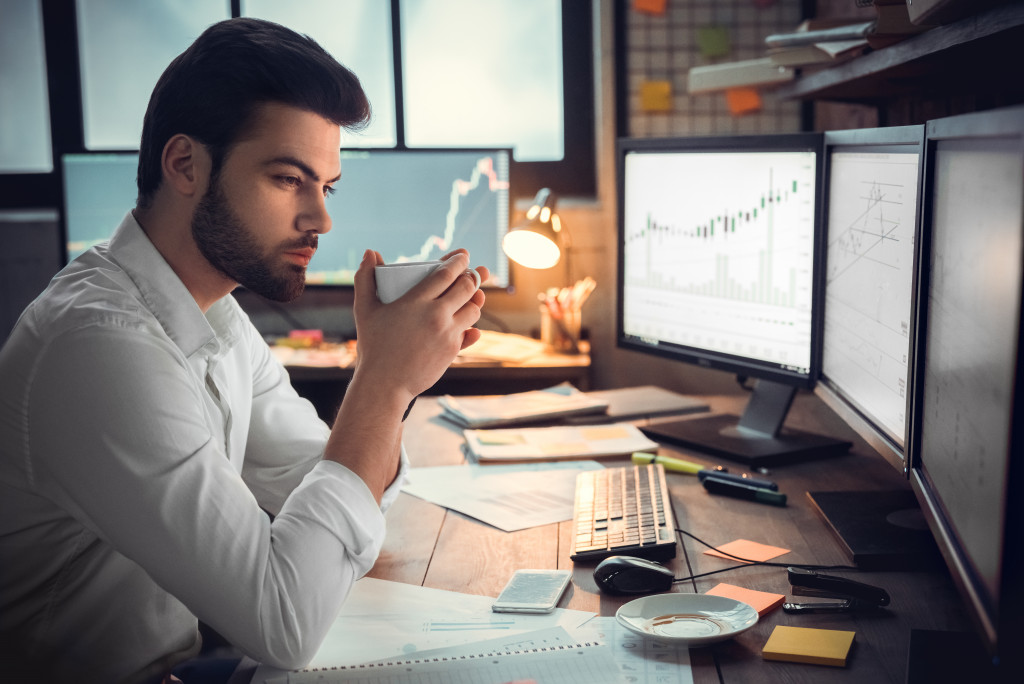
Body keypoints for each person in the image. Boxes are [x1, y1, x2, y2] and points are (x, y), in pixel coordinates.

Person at [0, 17, 487, 684]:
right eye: (290, 179)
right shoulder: (97, 344)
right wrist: (385, 385)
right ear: (185, 165)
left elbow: (331, 491)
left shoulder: (215, 315)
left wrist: (387, 384)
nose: (322, 218)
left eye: (327, 185)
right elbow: (282, 619)